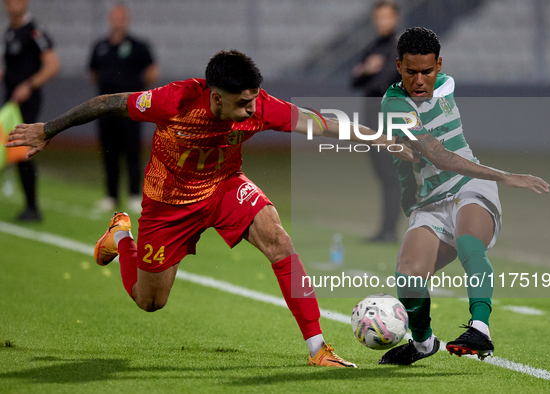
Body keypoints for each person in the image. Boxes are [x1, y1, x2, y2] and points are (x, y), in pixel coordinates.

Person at [6, 50, 416, 368]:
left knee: (278, 240)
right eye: (242, 104)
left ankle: (318, 348)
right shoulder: (175, 100)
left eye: (254, 100)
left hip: (223, 188)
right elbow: (106, 102)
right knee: (149, 301)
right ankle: (122, 236)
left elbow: (322, 122)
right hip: (168, 205)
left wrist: (381, 138)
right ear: (215, 98)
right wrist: (48, 129)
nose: (251, 110)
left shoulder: (260, 106)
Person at [377, 27, 550, 365]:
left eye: (427, 71)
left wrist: (493, 178)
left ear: (439, 65)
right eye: (411, 72)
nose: (420, 80)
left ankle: (480, 330)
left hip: (470, 184)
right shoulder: (395, 105)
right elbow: (438, 156)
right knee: (408, 276)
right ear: (398, 67)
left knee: (469, 241)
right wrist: (506, 176)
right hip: (429, 203)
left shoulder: (446, 84)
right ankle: (424, 343)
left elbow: (447, 156)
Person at [89, 3, 159, 213]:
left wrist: (134, 92)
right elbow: (93, 72)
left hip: (130, 110)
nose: (118, 21)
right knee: (109, 151)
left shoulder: (138, 46)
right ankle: (111, 195)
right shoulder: (100, 46)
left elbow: (152, 72)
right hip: (106, 110)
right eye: (115, 17)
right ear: (110, 19)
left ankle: (134, 194)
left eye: (121, 17)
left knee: (132, 151)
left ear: (126, 20)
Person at [1, 0, 60, 221]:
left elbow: (53, 65)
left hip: (27, 102)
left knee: (22, 150)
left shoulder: (34, 32)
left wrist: (29, 85)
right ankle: (30, 205)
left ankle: (33, 207)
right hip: (11, 103)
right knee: (12, 151)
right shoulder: (9, 32)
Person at [351, 0, 402, 243]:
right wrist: (365, 71)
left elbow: (383, 84)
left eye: (387, 17)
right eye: (379, 17)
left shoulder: (398, 48)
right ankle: (386, 230)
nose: (383, 22)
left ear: (395, 19)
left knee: (391, 175)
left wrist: (368, 72)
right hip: (373, 119)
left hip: (389, 119)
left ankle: (390, 231)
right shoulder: (373, 46)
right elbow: (355, 82)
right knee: (384, 174)